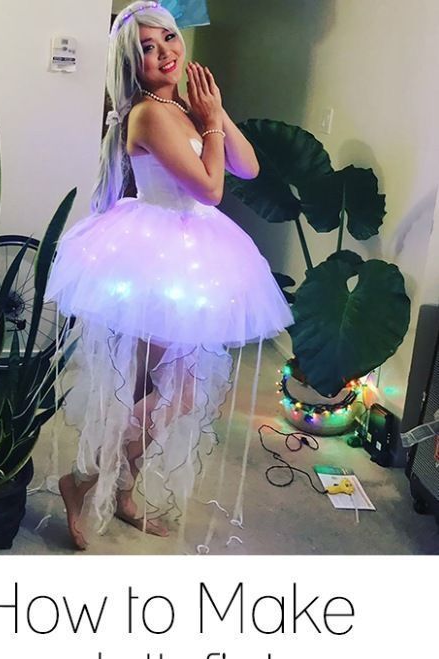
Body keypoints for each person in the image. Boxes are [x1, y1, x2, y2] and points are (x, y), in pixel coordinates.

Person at [45, 0, 293, 550]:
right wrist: (207, 125)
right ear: (132, 63)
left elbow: (247, 166)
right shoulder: (150, 114)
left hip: (193, 257)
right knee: (166, 392)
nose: (163, 54)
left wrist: (216, 113)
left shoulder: (177, 105)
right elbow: (210, 188)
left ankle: (116, 488)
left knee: (167, 391)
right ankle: (84, 483)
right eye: (148, 49)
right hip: (157, 254)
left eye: (168, 40)